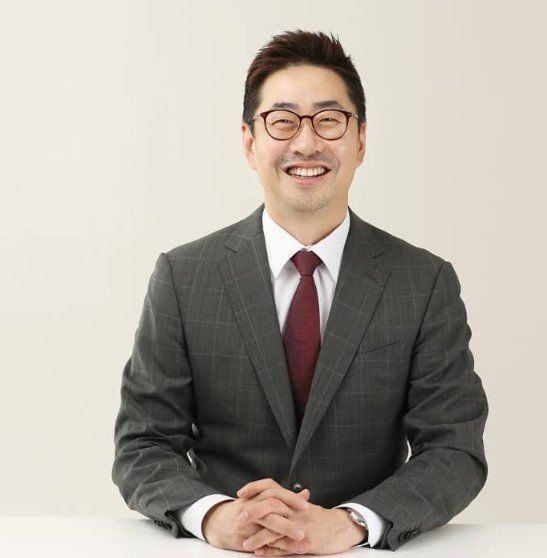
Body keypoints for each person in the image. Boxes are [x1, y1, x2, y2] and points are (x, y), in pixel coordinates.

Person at [111, 29, 489, 555]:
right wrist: (216, 517)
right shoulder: (183, 276)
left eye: (329, 120)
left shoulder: (422, 281)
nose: (306, 144)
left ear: (360, 140)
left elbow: (454, 449)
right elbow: (143, 443)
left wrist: (351, 524)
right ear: (250, 142)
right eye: (283, 121)